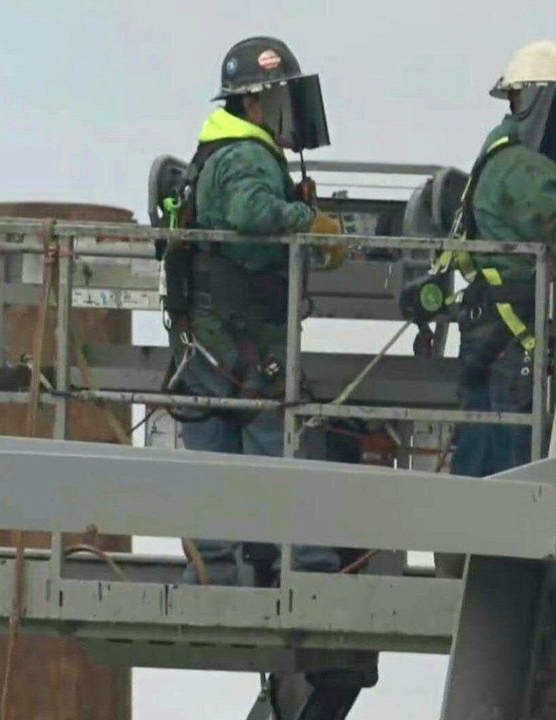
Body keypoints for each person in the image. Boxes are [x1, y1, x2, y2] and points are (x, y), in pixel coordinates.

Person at [157, 36, 376, 718]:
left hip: (211, 342)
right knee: (280, 454)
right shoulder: (248, 155)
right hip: (246, 344)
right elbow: (254, 215)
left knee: (215, 465)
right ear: (259, 99)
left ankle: (216, 575)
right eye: (281, 98)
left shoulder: (215, 151)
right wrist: (311, 223)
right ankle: (306, 574)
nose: (288, 112)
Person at [449, 40, 556, 478]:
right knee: (511, 465)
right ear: (538, 101)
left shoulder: (507, 154)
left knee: (482, 457)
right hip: (512, 331)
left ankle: (468, 525)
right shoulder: (525, 166)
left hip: (494, 330)